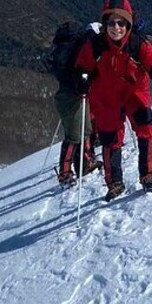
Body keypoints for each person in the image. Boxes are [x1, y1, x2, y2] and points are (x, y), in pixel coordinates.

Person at [75, 0, 152, 201]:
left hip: (134, 94)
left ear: (128, 23)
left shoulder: (137, 44)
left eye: (121, 22)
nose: (116, 28)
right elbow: (82, 67)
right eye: (111, 22)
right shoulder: (95, 45)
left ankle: (148, 174)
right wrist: (82, 80)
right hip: (106, 97)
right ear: (105, 24)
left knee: (147, 128)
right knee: (110, 138)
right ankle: (114, 182)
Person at [43, 21, 103, 187]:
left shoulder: (66, 51)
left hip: (70, 95)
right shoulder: (79, 47)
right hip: (73, 96)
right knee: (75, 136)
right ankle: (66, 172)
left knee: (86, 130)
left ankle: (84, 163)